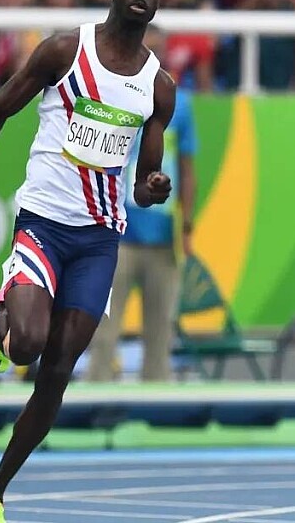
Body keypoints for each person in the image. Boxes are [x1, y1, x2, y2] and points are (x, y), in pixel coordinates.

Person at [0, 0, 174, 523]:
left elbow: (144, 186)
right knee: (26, 346)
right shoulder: (64, 52)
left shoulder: (159, 87)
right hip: (44, 224)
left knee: (56, 371)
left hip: (98, 240)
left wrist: (154, 187)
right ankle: (5, 311)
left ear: (158, 2)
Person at [87, 25, 197, 383]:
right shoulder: (112, 94)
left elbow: (187, 168)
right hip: (116, 232)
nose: (153, 57)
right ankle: (95, 398)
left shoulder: (181, 104)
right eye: (146, 49)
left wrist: (187, 225)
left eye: (158, 50)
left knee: (160, 334)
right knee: (103, 330)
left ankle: (158, 402)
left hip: (163, 237)